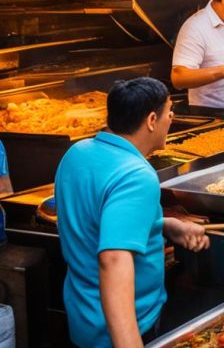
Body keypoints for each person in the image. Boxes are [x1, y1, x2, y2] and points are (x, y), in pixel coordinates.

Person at [55, 78, 209, 347]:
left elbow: (96, 220)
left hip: (82, 320)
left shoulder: (76, 154)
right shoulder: (136, 176)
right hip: (123, 330)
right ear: (151, 120)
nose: (171, 119)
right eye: (169, 112)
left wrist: (165, 225)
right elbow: (113, 259)